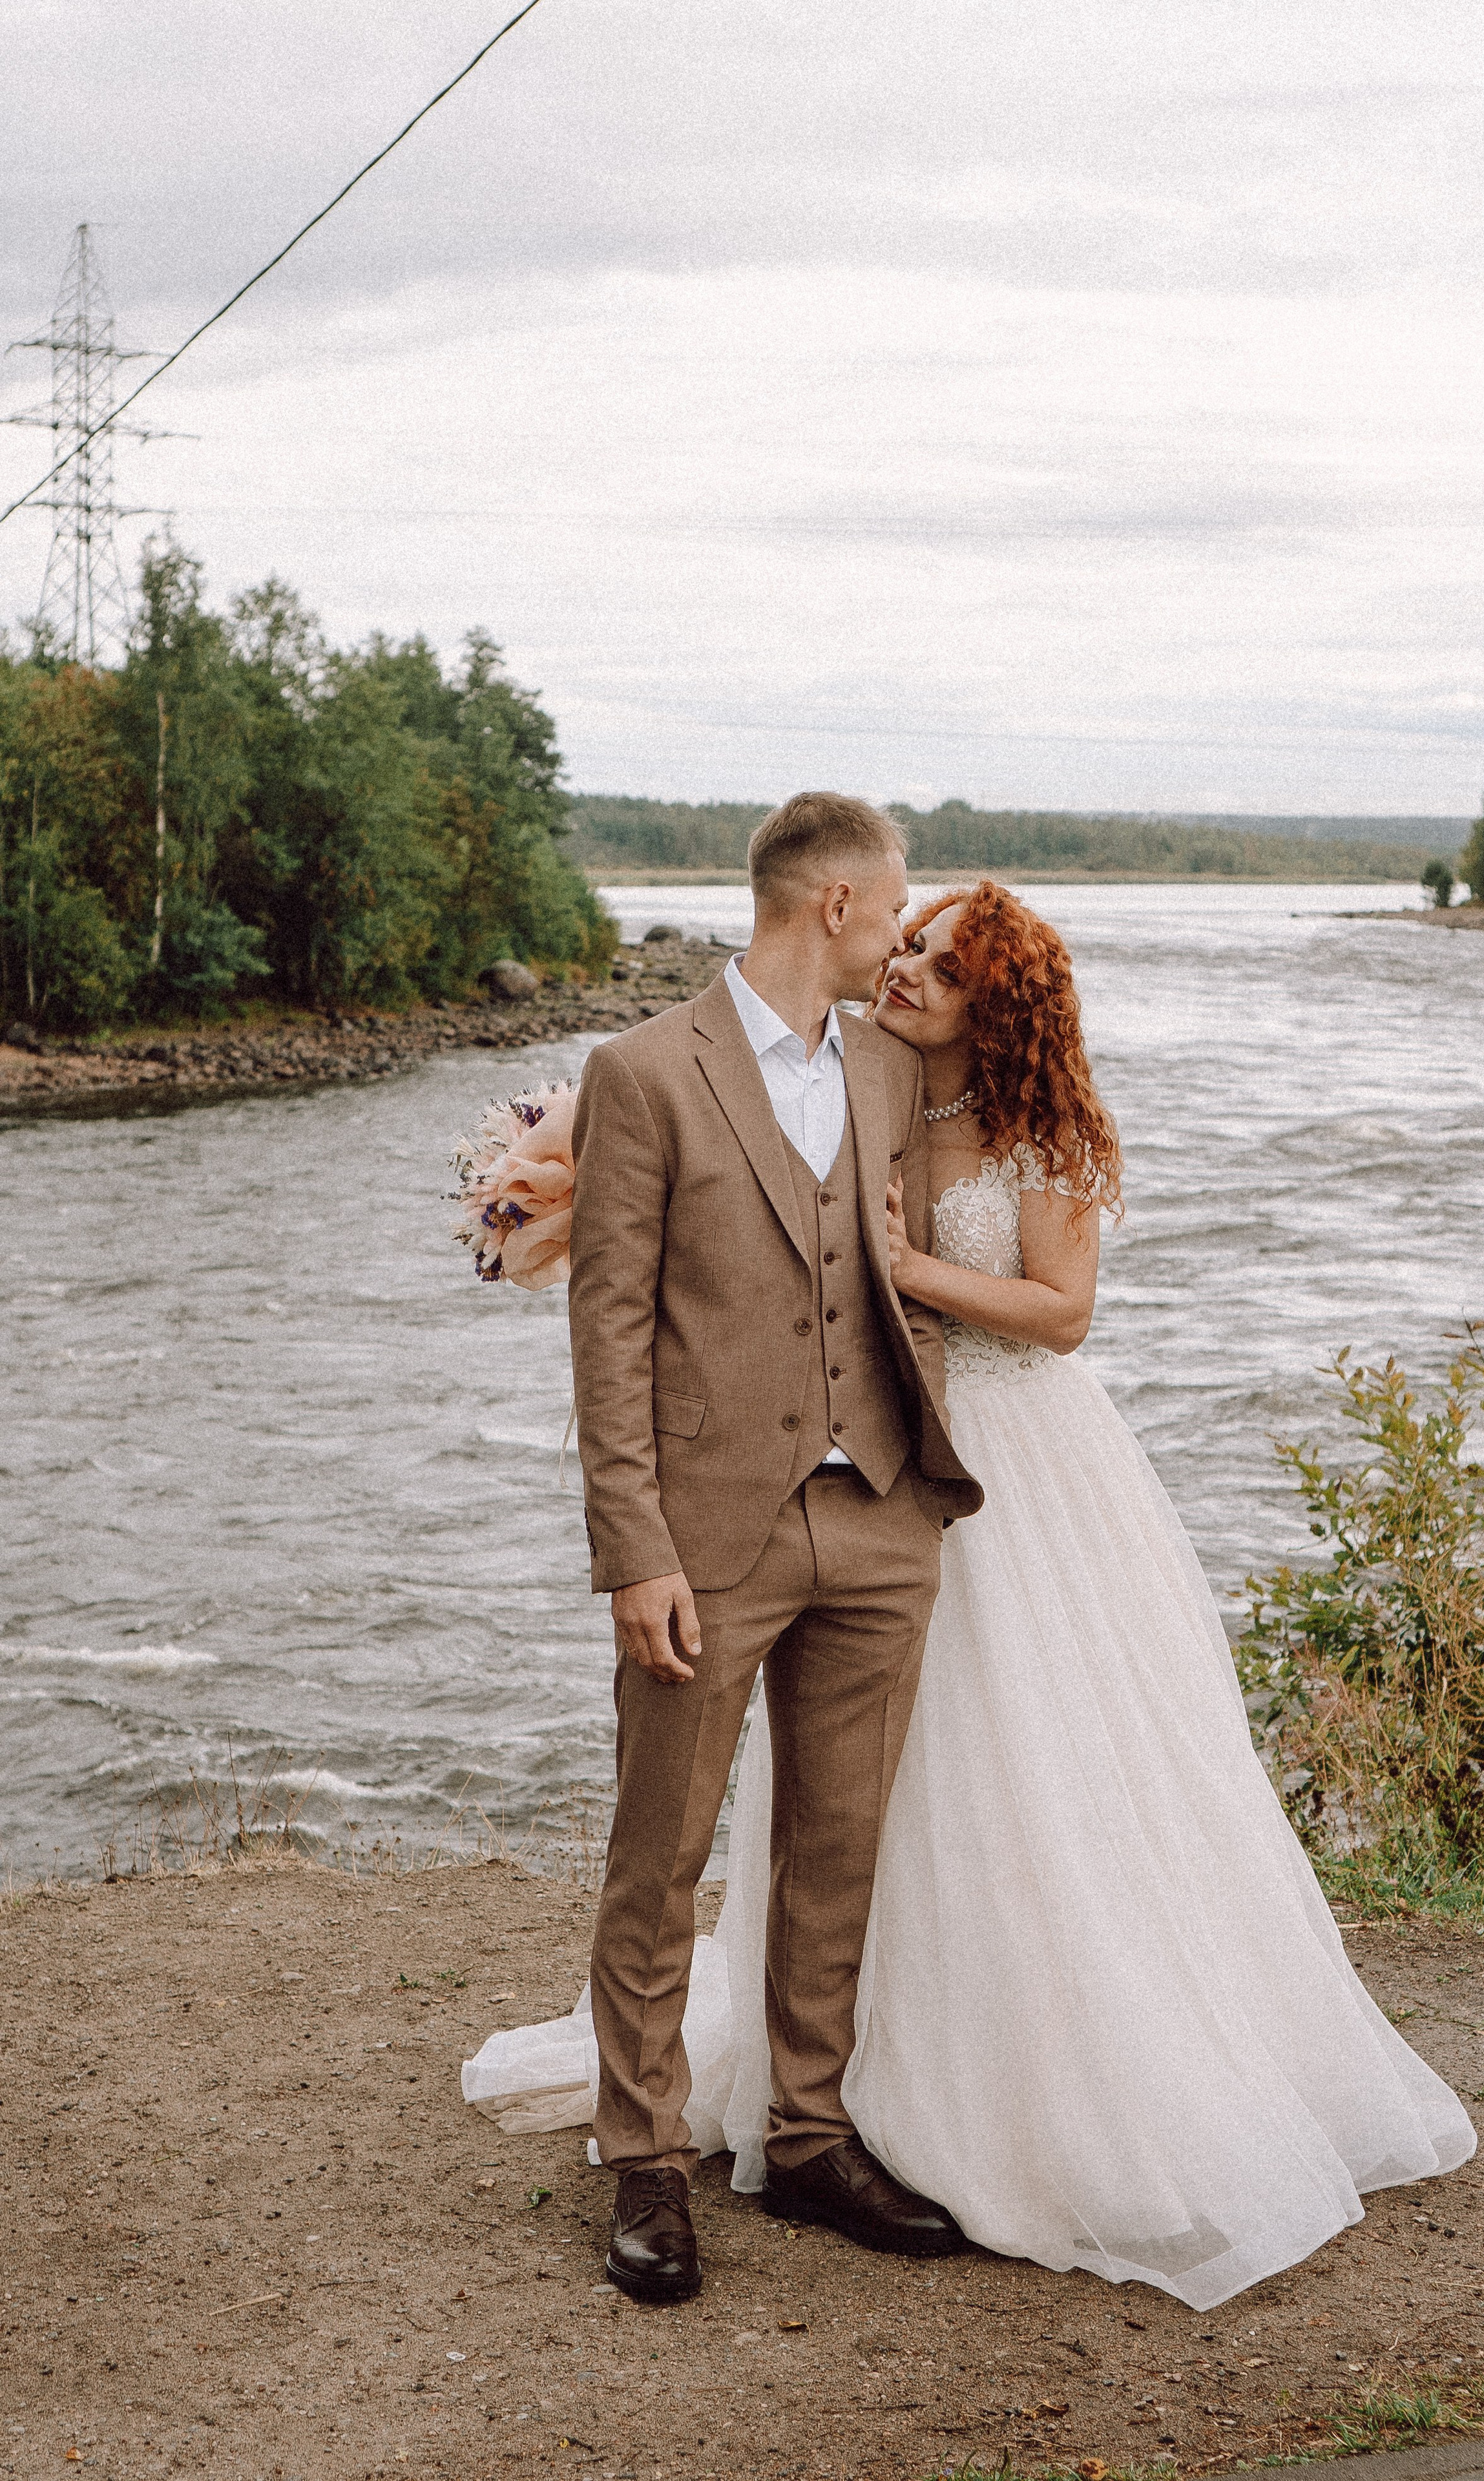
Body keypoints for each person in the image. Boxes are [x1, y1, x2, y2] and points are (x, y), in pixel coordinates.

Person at [463, 875, 1475, 2314]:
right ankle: (791, 2115)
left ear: (997, 999)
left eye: (939, 960)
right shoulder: (849, 1074)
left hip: (1016, 1473)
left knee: (1021, 1784)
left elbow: (1060, 1315)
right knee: (824, 1810)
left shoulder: (1041, 1127)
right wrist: (563, 1187)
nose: (909, 970)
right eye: (908, 943)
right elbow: (715, 1176)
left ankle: (1010, 2092)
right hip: (837, 1478)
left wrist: (905, 1266)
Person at [558, 793, 982, 2305]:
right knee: (657, 1856)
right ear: (835, 909)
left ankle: (807, 2139)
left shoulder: (884, 1064)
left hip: (877, 1516)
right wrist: (633, 1550)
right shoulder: (641, 1072)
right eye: (895, 908)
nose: (902, 932)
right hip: (705, 1536)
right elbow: (605, 1327)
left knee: (838, 1846)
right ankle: (647, 2163)